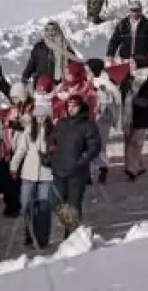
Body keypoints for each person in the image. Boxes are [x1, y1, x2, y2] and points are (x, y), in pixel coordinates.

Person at [48, 95, 101, 235]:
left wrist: (82, 160)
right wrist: (50, 153)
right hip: (59, 169)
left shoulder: (87, 125)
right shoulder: (61, 123)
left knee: (74, 204)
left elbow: (94, 147)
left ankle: (72, 234)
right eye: (69, 106)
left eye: (74, 106)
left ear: (81, 107)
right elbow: (52, 141)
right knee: (56, 201)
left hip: (77, 173)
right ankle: (68, 225)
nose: (71, 109)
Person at [9, 92, 55, 248]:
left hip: (46, 175)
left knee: (43, 207)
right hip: (28, 173)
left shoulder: (53, 132)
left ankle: (42, 237)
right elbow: (21, 149)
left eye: (44, 116)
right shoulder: (29, 130)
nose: (41, 119)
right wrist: (14, 166)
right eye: (38, 116)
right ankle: (30, 234)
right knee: (26, 204)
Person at [123, 54, 148, 179]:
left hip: (142, 112)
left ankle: (132, 169)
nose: (130, 65)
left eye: (132, 63)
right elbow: (122, 88)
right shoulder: (130, 75)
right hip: (129, 112)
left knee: (136, 142)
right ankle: (136, 166)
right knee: (128, 140)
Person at [86, 60, 122, 183]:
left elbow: (115, 99)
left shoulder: (106, 83)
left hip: (103, 118)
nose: (86, 73)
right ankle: (89, 174)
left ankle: (102, 168)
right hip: (89, 117)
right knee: (88, 145)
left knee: (99, 145)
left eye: (88, 70)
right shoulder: (87, 82)